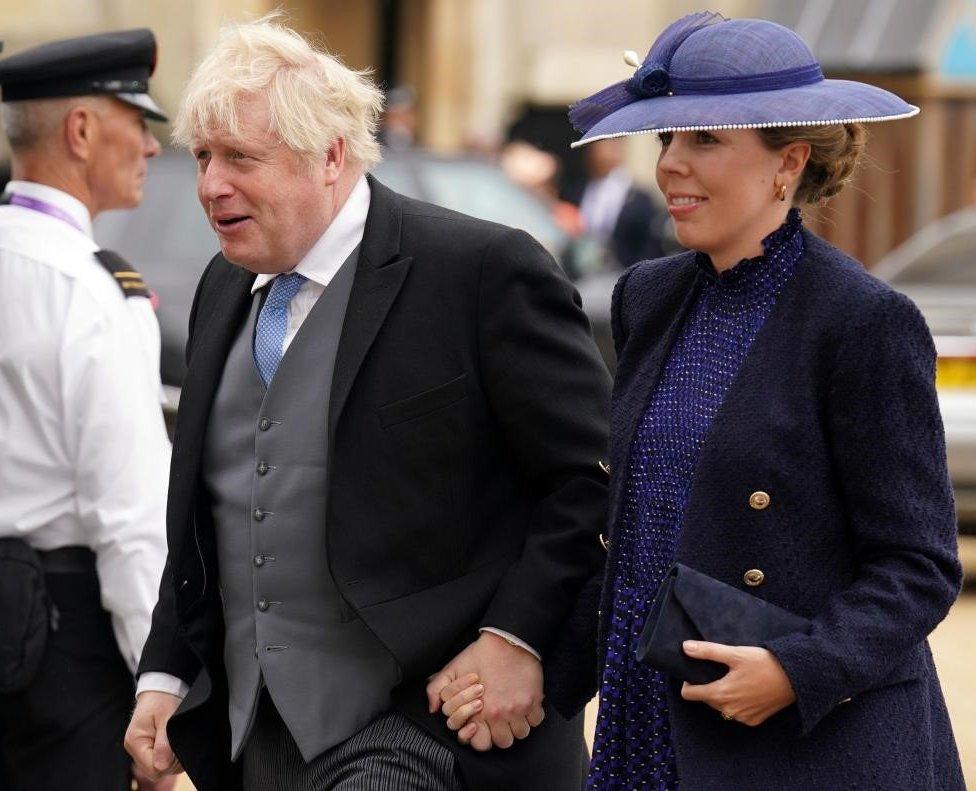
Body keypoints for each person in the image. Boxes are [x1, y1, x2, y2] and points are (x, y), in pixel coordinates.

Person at [124, 17, 610, 791]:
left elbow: (587, 482)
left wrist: (516, 634)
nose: (212, 184)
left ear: (331, 156)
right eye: (205, 157)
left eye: (242, 158)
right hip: (258, 738)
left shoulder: (480, 271)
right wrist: (165, 675)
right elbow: (210, 514)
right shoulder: (222, 288)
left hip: (428, 725)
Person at [567, 12, 963, 790]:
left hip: (806, 745)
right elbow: (636, 527)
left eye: (704, 140)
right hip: (646, 716)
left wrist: (796, 668)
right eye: (665, 141)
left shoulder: (863, 321)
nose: (671, 166)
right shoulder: (648, 296)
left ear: (788, 163)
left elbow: (919, 564)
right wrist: (526, 666)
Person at [0, 29, 173, 791]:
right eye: (138, 123)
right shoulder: (92, 291)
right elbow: (130, 521)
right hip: (60, 649)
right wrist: (162, 695)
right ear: (80, 131)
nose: (152, 147)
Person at [564, 138, 669, 268]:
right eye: (597, 146)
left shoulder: (638, 197)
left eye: (610, 144)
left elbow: (649, 243)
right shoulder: (578, 192)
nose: (603, 151)